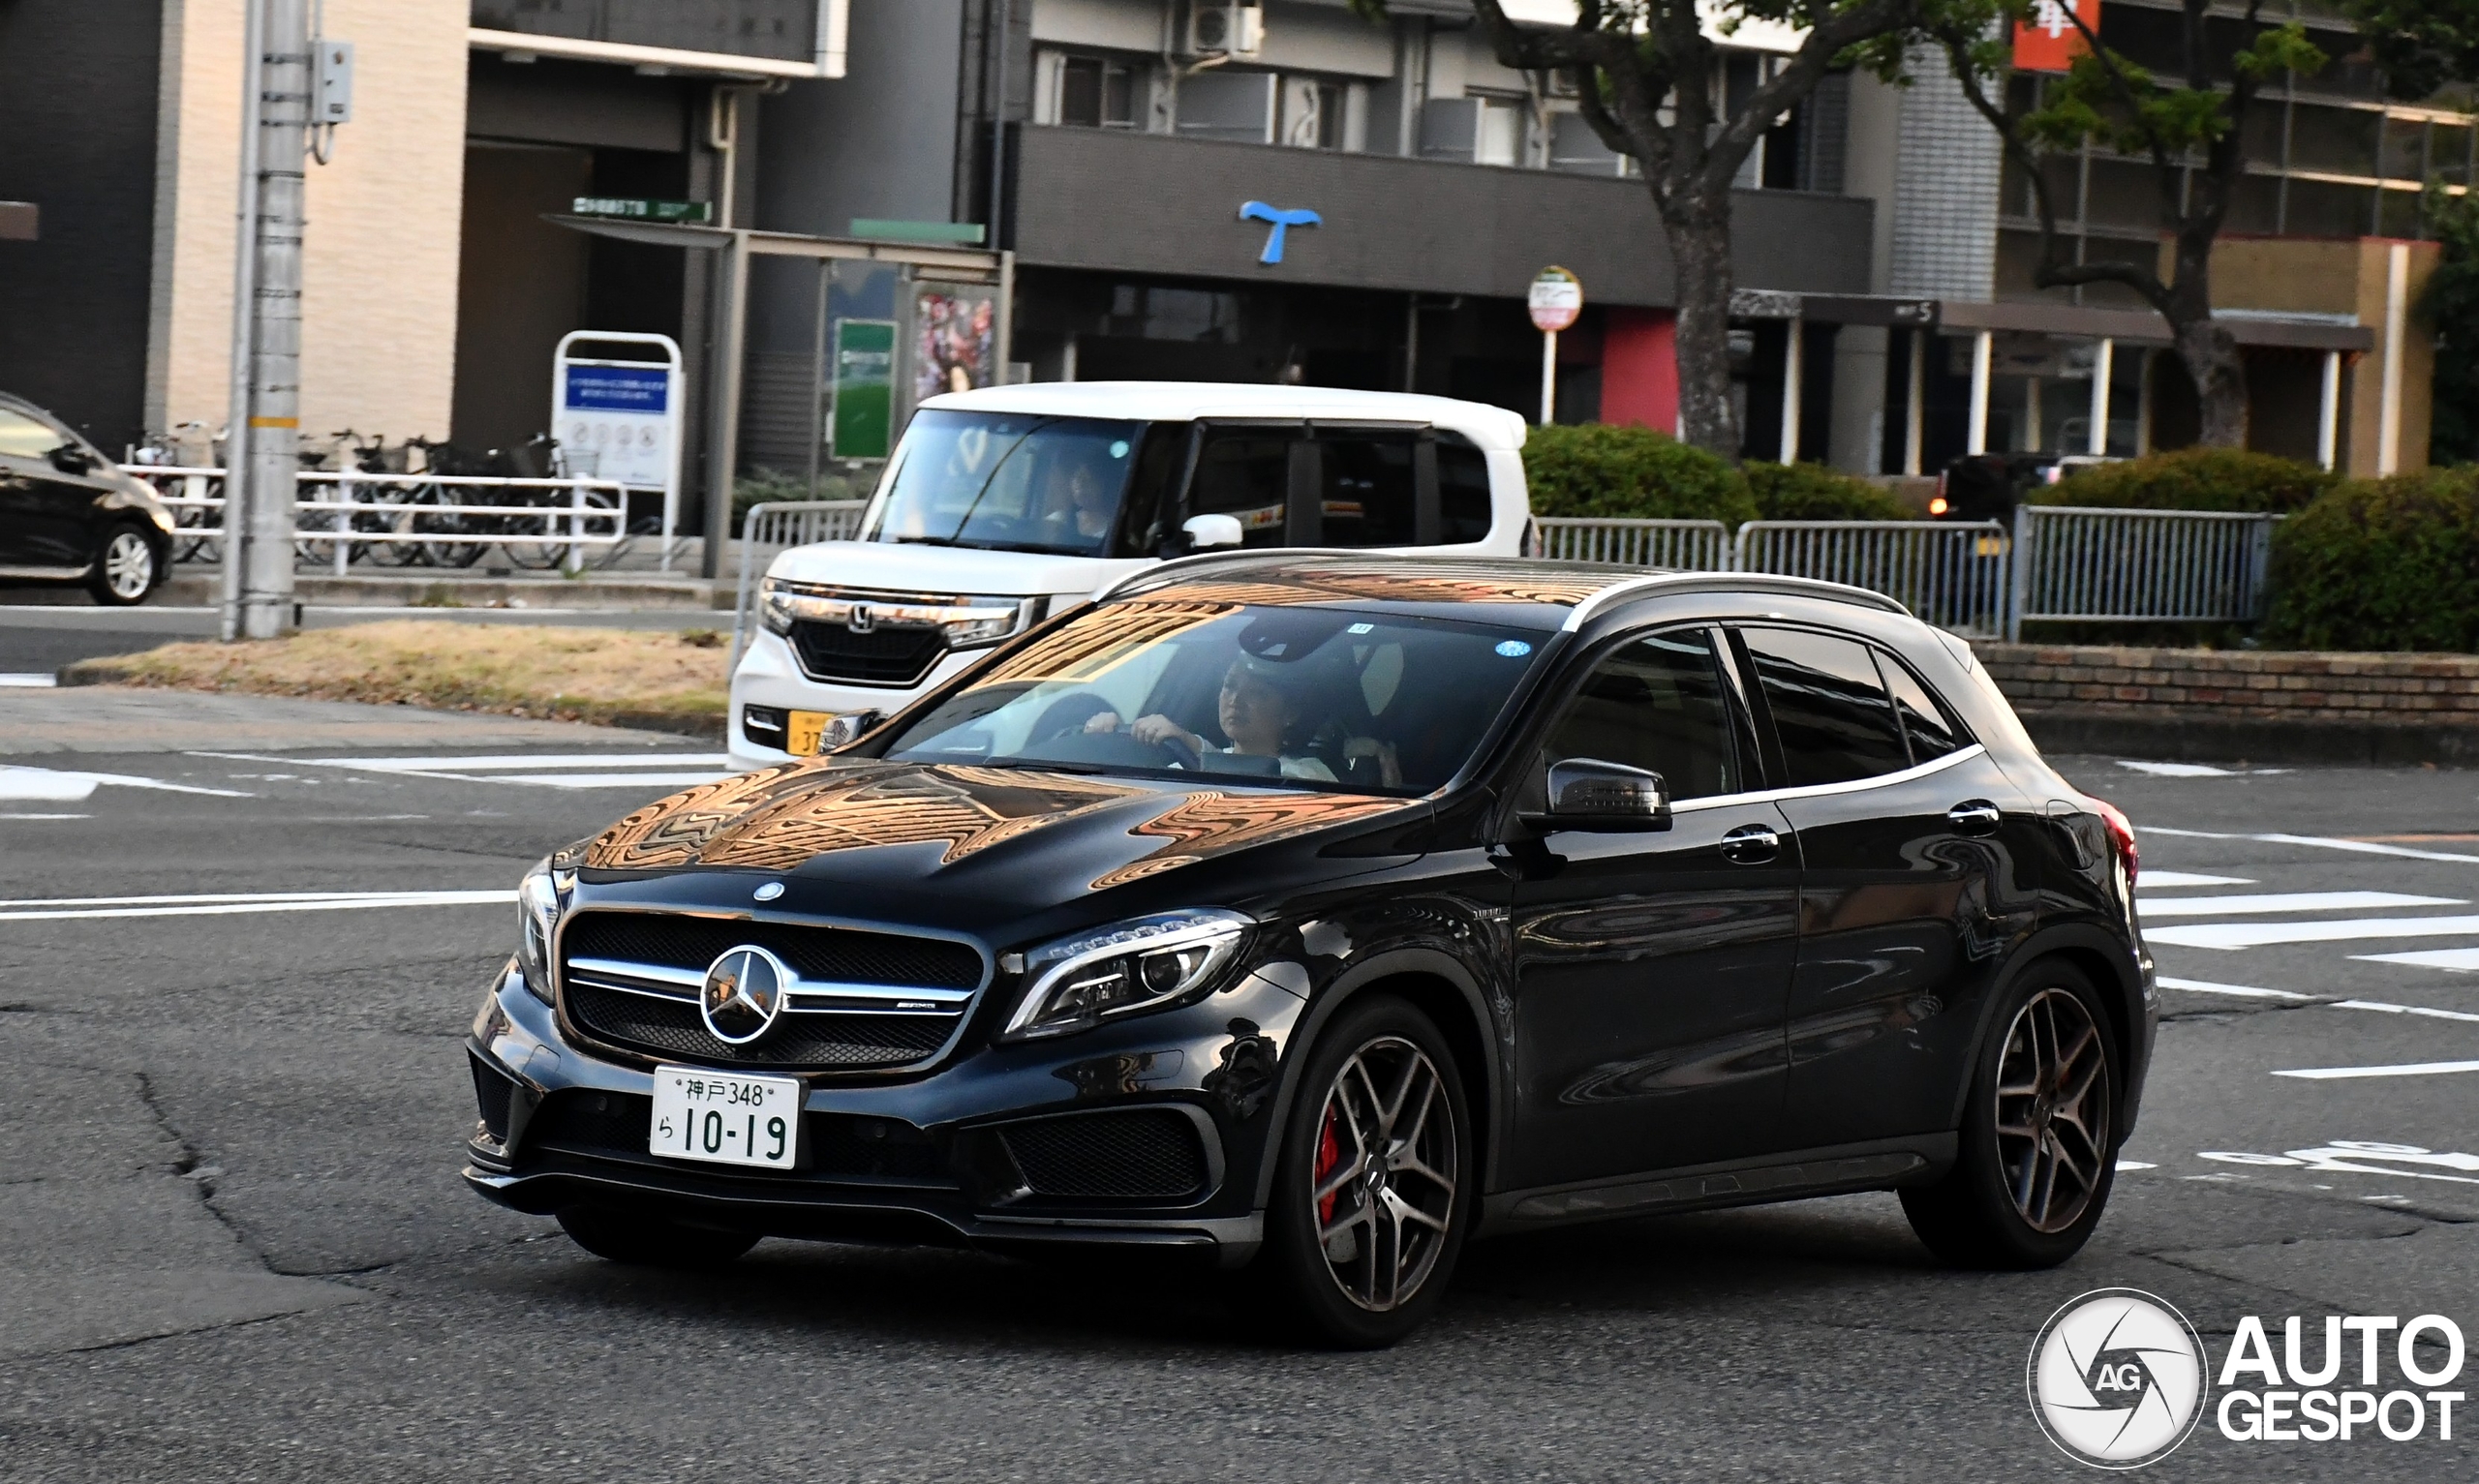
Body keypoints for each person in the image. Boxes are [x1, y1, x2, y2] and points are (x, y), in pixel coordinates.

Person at [1086, 657, 1337, 781]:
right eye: (1230, 686)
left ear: (1289, 714)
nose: (1236, 700)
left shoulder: (1309, 774)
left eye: (1258, 693)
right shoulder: (1182, 763)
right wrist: (1109, 739)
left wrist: (1186, 740)